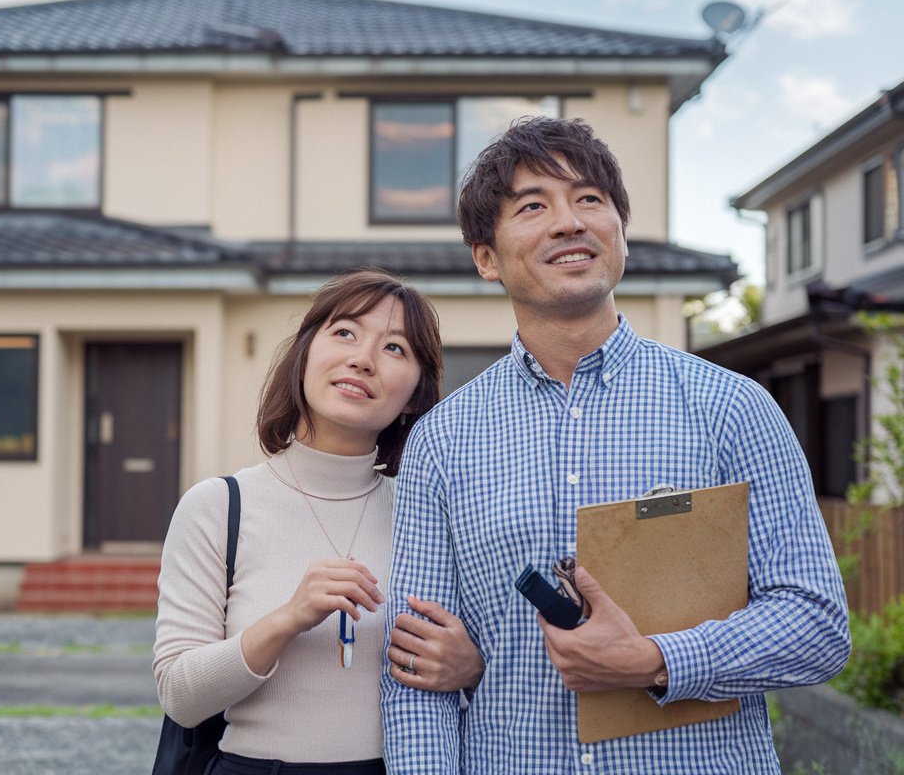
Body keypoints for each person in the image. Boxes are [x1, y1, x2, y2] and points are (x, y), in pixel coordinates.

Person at [381, 116, 851, 773]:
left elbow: (817, 625)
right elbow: (414, 672)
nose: (570, 221)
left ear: (620, 235)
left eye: (590, 200)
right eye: (533, 206)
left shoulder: (732, 408)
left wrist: (656, 661)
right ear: (485, 257)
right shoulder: (442, 442)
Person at [155, 268, 484, 775]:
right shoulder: (219, 506)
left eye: (395, 348)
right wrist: (290, 617)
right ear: (305, 353)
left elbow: (502, 665)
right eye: (345, 332)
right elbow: (180, 695)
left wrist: (472, 670)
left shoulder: (431, 509)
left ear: (417, 394)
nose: (362, 359)